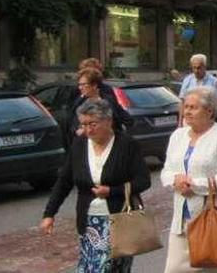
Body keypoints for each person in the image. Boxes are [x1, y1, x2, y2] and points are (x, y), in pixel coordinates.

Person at [40, 99, 151, 273]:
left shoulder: (127, 145)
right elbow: (64, 181)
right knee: (90, 268)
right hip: (88, 222)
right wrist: (49, 214)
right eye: (83, 124)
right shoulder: (79, 145)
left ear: (109, 121)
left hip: (120, 220)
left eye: (93, 124)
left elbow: (144, 180)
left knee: (109, 268)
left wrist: (113, 191)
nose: (88, 130)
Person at [161, 86, 217, 273]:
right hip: (181, 221)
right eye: (186, 106)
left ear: (209, 111)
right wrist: (176, 180)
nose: (187, 111)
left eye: (193, 107)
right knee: (174, 269)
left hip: (213, 218)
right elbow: (166, 170)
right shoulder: (178, 135)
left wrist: (196, 184)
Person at [64, 67, 132, 151]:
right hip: (84, 148)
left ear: (94, 85)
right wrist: (78, 130)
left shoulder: (108, 101)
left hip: (108, 147)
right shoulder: (79, 102)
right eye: (79, 84)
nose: (80, 88)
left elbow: (127, 120)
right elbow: (71, 123)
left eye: (83, 84)